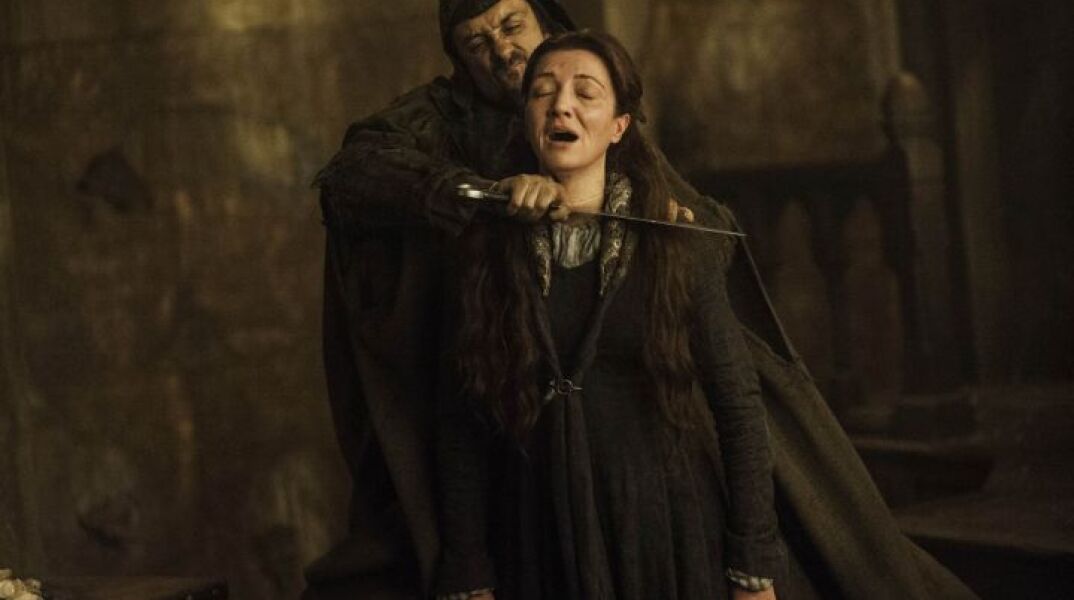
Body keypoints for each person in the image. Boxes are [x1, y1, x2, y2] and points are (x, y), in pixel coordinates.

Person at [306, 0, 978, 598]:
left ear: (618, 121)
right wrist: (475, 195)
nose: (502, 49)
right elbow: (351, 176)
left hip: (651, 478)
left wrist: (678, 234)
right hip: (529, 469)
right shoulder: (445, 140)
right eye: (478, 42)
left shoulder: (598, 114)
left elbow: (725, 359)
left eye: (512, 26)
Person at [436, 31, 785, 600]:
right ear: (526, 119)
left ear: (619, 126)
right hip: (539, 539)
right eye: (542, 92)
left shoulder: (674, 242)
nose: (561, 106)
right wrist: (467, 571)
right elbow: (462, 422)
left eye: (585, 93)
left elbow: (738, 405)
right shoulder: (490, 250)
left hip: (664, 532)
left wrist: (752, 565)